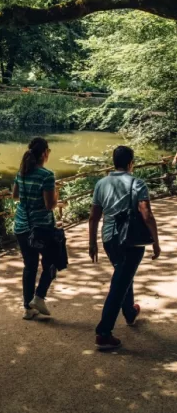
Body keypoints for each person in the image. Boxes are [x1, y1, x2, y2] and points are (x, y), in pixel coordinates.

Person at [89, 145, 161, 350]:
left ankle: (129, 312)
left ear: (114, 162)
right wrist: (156, 242)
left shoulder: (101, 183)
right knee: (119, 282)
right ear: (131, 163)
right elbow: (146, 214)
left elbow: (94, 216)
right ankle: (103, 333)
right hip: (131, 240)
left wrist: (92, 243)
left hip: (109, 239)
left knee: (123, 273)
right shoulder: (137, 183)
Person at [13, 137, 59, 319]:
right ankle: (39, 297)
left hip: (22, 226)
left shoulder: (22, 173)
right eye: (48, 151)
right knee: (52, 263)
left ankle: (28, 308)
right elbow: (50, 205)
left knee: (30, 266)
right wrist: (56, 195)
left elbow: (15, 195)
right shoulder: (47, 175)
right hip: (42, 229)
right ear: (44, 153)